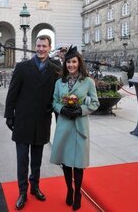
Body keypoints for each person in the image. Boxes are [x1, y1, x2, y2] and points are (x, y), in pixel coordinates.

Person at [4, 35, 59, 210]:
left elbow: (58, 94)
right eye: (39, 45)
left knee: (36, 160)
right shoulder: (22, 67)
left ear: (50, 48)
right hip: (22, 120)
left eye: (44, 46)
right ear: (35, 47)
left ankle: (35, 187)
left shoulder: (56, 69)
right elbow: (12, 93)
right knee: (22, 160)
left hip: (42, 120)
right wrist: (9, 115)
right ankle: (22, 192)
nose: (41, 49)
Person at [50, 45, 99, 211]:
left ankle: (78, 192)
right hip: (64, 125)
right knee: (65, 162)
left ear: (79, 63)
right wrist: (61, 109)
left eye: (74, 62)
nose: (71, 65)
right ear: (65, 64)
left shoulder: (88, 82)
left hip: (79, 127)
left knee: (78, 164)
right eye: (68, 62)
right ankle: (69, 190)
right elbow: (54, 101)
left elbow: (95, 103)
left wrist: (81, 110)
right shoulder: (59, 82)